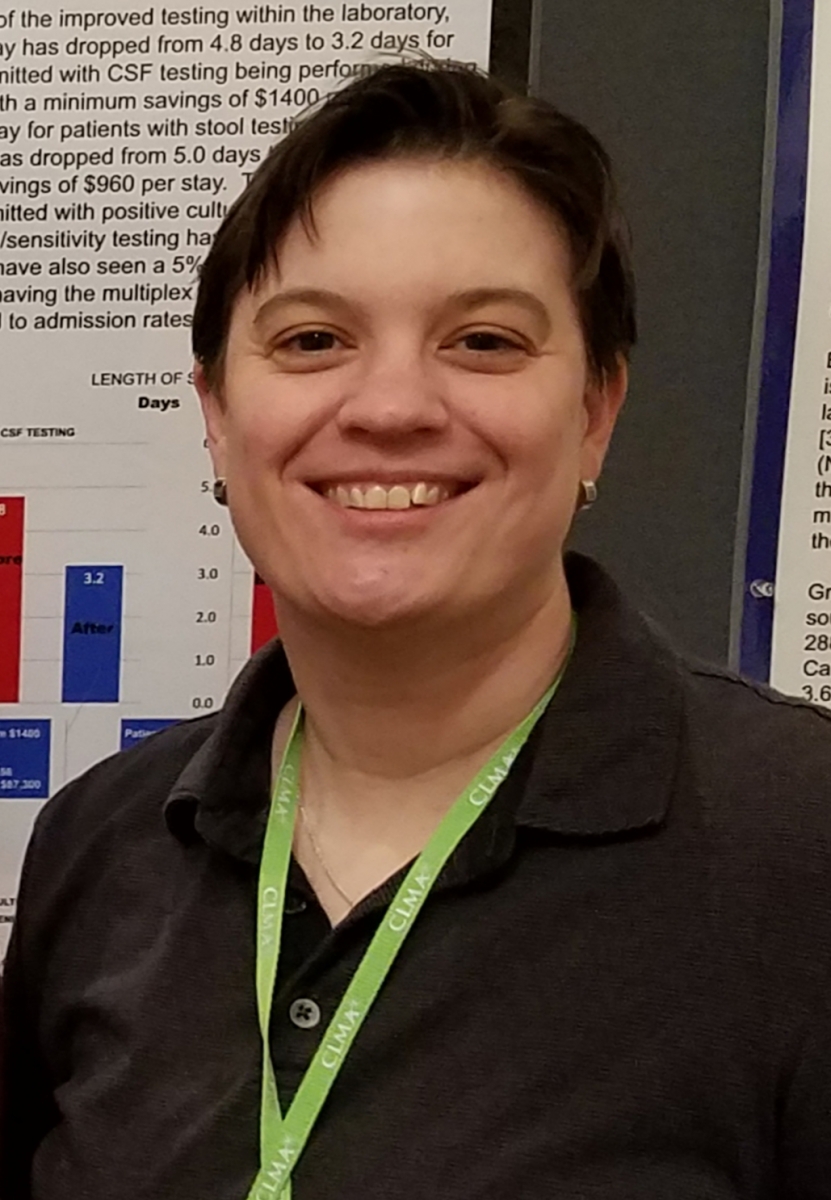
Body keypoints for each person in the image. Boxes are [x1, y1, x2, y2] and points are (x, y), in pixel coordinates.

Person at [3, 61, 831, 1200]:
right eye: (310, 342)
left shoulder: (799, 847)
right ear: (217, 415)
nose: (390, 405)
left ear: (595, 413)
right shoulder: (100, 845)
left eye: (484, 341)